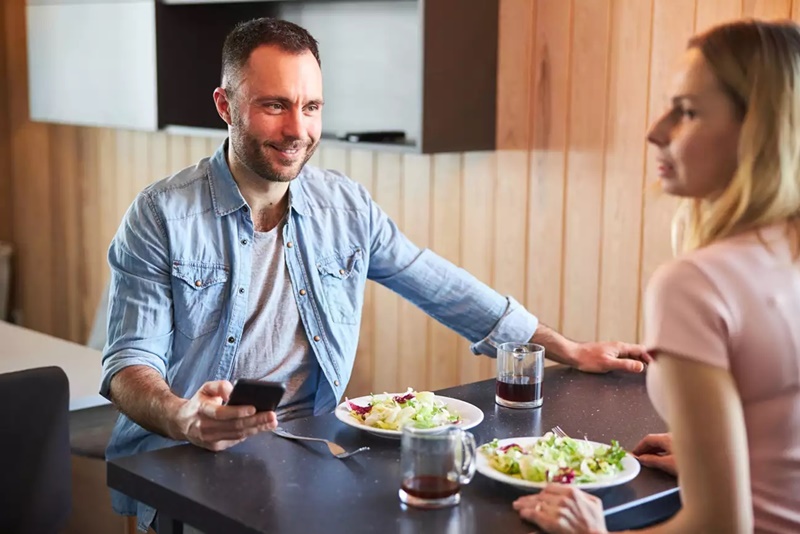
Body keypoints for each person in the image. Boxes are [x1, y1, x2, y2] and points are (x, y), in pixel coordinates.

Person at [100, 18, 647, 530]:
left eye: (311, 106)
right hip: (189, 458)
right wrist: (185, 416)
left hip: (308, 448)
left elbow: (441, 286)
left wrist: (567, 349)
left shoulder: (345, 207)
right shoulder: (162, 215)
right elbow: (129, 365)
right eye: (274, 106)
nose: (298, 129)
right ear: (225, 105)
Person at [513, 18, 800, 534]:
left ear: (760, 128)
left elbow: (719, 524)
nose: (657, 131)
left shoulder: (696, 283)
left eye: (687, 112)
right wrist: (725, 457)